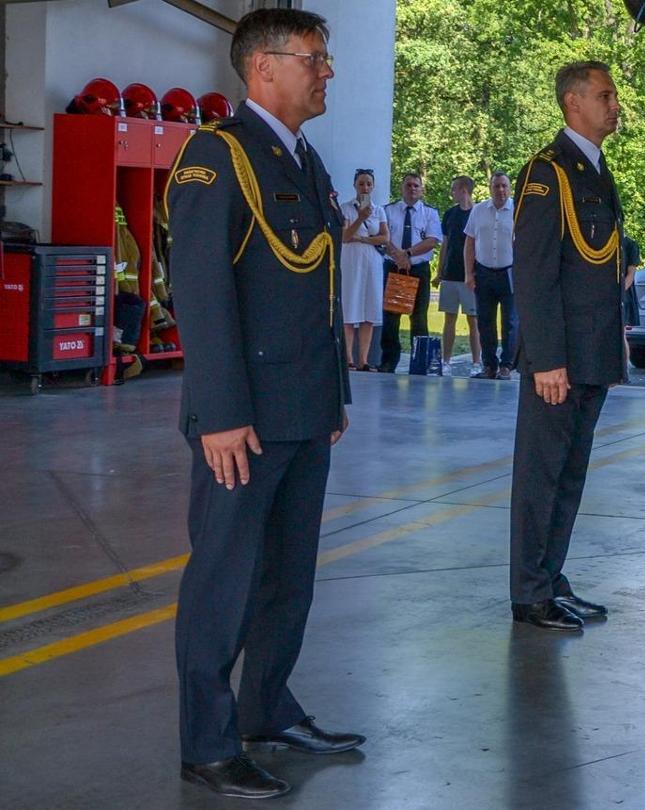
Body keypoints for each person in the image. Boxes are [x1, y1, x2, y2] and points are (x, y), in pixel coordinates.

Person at [165, 8, 365, 800]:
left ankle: (266, 710)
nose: (327, 73)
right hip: (240, 417)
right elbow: (202, 293)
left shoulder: (302, 159)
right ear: (264, 68)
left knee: (288, 577)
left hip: (301, 409)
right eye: (314, 59)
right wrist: (218, 413)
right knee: (223, 583)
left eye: (326, 58)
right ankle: (207, 745)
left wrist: (334, 397)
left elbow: (311, 291)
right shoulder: (216, 158)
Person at [506, 61, 626, 631]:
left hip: (592, 351)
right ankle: (529, 592)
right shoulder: (547, 173)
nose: (615, 104)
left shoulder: (595, 171)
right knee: (541, 475)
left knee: (569, 474)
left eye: (614, 95)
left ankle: (552, 578)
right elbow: (534, 273)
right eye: (604, 95)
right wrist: (547, 359)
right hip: (560, 359)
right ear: (572, 102)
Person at [377, 171, 441, 372]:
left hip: (418, 268)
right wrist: (398, 256)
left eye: (416, 186)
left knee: (419, 316)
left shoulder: (430, 213)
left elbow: (432, 240)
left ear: (421, 190)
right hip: (393, 267)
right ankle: (389, 361)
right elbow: (382, 237)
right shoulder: (387, 210)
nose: (412, 189)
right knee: (391, 315)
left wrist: (408, 253)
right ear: (401, 188)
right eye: (408, 185)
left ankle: (420, 362)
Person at [465, 171, 516, 379]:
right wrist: (469, 273)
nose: (500, 190)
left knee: (511, 322)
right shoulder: (478, 211)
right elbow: (469, 243)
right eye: (496, 186)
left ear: (510, 188)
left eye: (504, 186)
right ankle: (489, 366)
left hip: (510, 273)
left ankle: (506, 366)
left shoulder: (518, 211)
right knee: (485, 321)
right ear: (490, 187)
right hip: (484, 272)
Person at [339, 168, 389, 370]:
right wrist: (360, 218)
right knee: (351, 307)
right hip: (351, 261)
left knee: (369, 309)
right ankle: (348, 357)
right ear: (355, 185)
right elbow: (344, 236)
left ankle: (364, 359)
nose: (365, 187)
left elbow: (385, 237)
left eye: (368, 183)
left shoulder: (379, 210)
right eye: (361, 183)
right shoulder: (345, 208)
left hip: (372, 262)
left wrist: (361, 238)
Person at [439, 175, 478, 371]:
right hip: (450, 275)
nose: (451, 192)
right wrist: (439, 271)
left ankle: (477, 362)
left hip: (470, 276)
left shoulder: (478, 213)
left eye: (454, 188)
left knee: (473, 320)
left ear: (463, 189)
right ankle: (445, 360)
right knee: (449, 318)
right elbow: (445, 245)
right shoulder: (449, 214)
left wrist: (475, 273)